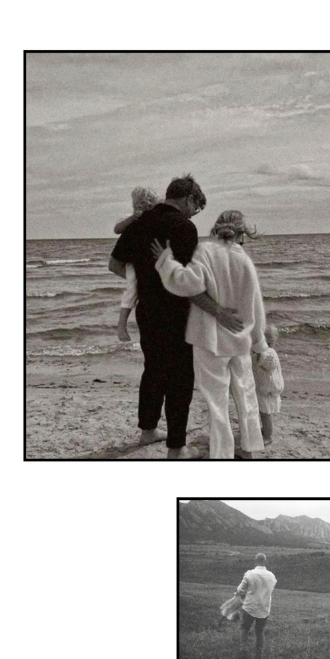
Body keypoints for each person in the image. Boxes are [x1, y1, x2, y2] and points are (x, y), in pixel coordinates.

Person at [110, 175, 243, 458]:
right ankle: (176, 447)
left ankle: (148, 431)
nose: (194, 213)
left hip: (146, 310)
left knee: (153, 370)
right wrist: (218, 310)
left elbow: (114, 264)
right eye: (196, 207)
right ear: (188, 198)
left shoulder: (139, 222)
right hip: (177, 311)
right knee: (180, 378)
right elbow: (188, 283)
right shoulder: (184, 227)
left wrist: (147, 279)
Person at [151, 210, 268, 459]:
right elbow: (256, 306)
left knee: (217, 403)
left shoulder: (205, 252)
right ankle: (248, 450)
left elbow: (186, 284)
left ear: (215, 229)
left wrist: (165, 260)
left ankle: (222, 455)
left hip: (211, 340)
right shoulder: (244, 260)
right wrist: (260, 342)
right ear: (241, 233)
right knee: (246, 394)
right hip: (240, 339)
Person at [113, 186, 160, 342]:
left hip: (142, 261)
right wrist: (132, 219)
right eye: (138, 207)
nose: (141, 210)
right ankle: (121, 326)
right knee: (132, 287)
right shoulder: (130, 218)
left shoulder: (153, 219)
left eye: (146, 207)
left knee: (136, 285)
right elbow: (117, 229)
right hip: (132, 261)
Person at [234, 553, 276, 659]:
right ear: (265, 561)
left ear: (255, 561)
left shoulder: (249, 574)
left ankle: (243, 650)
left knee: (244, 628)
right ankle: (259, 653)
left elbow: (240, 589)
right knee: (260, 631)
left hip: (249, 607)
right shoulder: (272, 576)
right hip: (264, 608)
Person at [253, 323, 284, 448]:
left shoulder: (269, 353)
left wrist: (257, 353)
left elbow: (268, 362)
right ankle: (265, 430)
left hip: (268, 389)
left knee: (265, 414)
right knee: (263, 412)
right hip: (264, 387)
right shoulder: (262, 352)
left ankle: (268, 436)